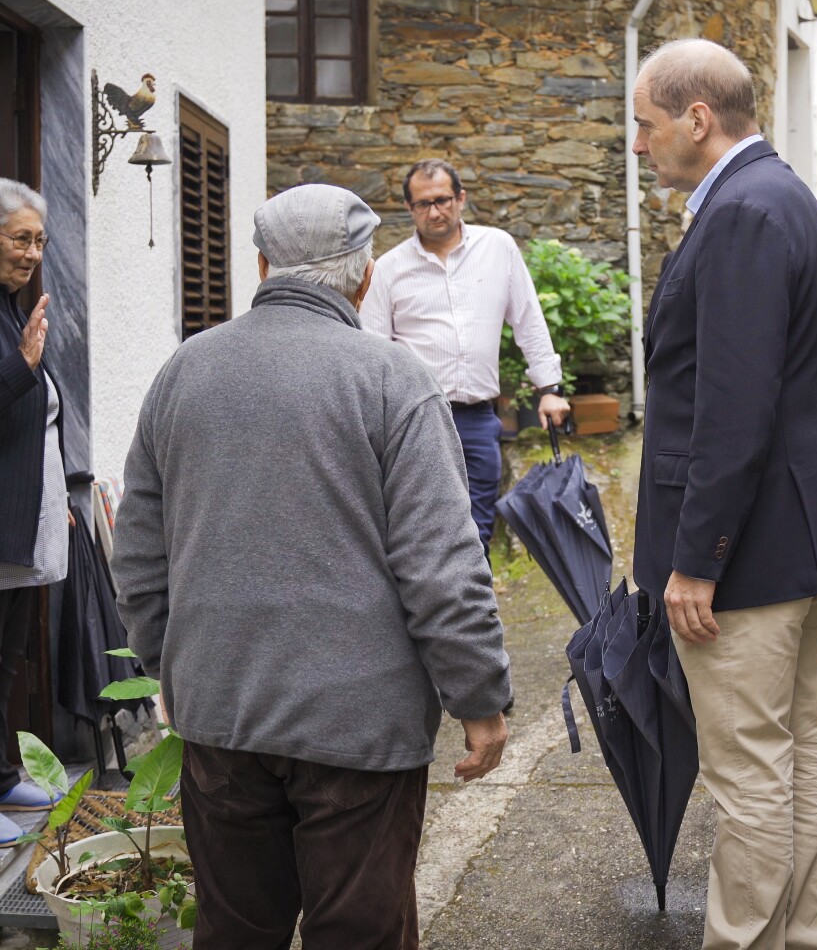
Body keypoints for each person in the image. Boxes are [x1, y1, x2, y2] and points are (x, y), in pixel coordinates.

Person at [111, 184, 513, 950]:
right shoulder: (393, 379)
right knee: (360, 933)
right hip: (360, 726)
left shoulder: (183, 372)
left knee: (235, 931)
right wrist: (478, 697)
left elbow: (138, 550)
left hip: (222, 714)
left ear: (262, 266)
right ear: (365, 276)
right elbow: (440, 564)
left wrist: (174, 667)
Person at [631, 39, 817, 950]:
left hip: (750, 552)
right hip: (799, 535)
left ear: (698, 119)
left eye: (647, 125)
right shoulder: (786, 195)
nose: (639, 144)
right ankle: (802, 937)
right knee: (800, 747)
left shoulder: (739, 213)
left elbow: (733, 409)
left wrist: (698, 559)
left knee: (749, 771)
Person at [359, 159, 570, 549]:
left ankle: (477, 591)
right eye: (423, 204)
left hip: (476, 420)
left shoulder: (498, 248)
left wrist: (549, 389)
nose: (434, 212)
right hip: (415, 422)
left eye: (442, 200)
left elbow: (528, 319)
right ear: (409, 208)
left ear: (460, 198)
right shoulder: (388, 269)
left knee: (478, 529)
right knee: (421, 529)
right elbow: (373, 352)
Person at [0, 176, 71, 849]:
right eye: (21, 239)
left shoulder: (11, 304)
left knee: (9, 656)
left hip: (28, 507)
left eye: (40, 241)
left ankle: (4, 776)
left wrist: (56, 499)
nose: (33, 253)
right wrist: (25, 362)